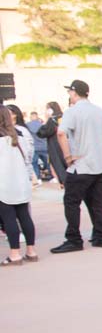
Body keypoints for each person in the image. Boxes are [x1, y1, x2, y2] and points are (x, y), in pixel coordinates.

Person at [51, 80, 102, 253]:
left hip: (81, 165)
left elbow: (61, 132)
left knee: (71, 202)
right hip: (100, 164)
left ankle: (74, 238)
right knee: (99, 201)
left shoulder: (72, 112)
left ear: (74, 93)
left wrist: (67, 156)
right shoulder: (100, 112)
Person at [0, 107, 37, 266]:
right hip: (21, 183)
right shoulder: (20, 136)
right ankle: (31, 251)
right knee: (25, 217)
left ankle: (14, 254)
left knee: (9, 219)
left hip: (4, 184)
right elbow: (28, 159)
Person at [38, 102, 66, 187]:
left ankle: (64, 183)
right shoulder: (63, 117)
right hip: (65, 145)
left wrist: (47, 119)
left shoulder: (52, 120)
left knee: (59, 166)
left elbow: (42, 132)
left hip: (55, 146)